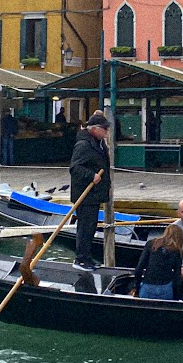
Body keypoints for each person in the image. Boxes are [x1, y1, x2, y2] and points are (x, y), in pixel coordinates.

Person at [70, 112, 112, 272]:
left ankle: (86, 257)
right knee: (85, 227)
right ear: (95, 129)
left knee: (91, 227)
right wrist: (91, 175)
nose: (107, 132)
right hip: (85, 194)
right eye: (104, 129)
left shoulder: (99, 144)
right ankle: (80, 259)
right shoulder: (83, 145)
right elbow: (74, 168)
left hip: (94, 194)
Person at [132, 223, 183, 300]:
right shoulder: (177, 251)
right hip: (165, 288)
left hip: (148, 287)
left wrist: (137, 288)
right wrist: (176, 297)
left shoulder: (151, 244)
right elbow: (177, 276)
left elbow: (139, 269)